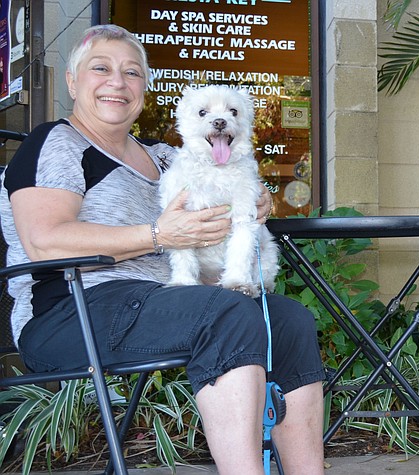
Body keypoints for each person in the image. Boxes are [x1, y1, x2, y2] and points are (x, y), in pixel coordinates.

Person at [0, 25, 325, 475]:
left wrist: (258, 197)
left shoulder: (164, 157)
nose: (117, 81)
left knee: (288, 319)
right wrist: (158, 234)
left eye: (132, 73)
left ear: (144, 91)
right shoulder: (56, 143)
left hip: (163, 301)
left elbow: (230, 186)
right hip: (71, 311)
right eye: (101, 68)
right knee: (226, 312)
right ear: (73, 82)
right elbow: (45, 240)